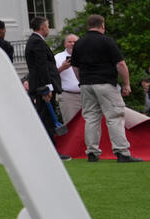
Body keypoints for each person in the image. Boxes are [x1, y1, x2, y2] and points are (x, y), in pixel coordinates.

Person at [70, 14, 142, 162]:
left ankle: (92, 152)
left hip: (86, 84)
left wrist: (82, 81)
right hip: (105, 83)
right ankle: (122, 152)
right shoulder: (107, 41)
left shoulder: (79, 43)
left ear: (88, 25)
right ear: (102, 25)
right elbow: (120, 64)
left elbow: (75, 67)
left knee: (90, 118)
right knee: (115, 116)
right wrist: (126, 84)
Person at [23, 16, 70, 160]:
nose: (48, 29)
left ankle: (47, 151)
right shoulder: (37, 42)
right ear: (42, 27)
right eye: (48, 26)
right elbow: (41, 66)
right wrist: (47, 88)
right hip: (43, 87)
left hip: (41, 85)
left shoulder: (35, 41)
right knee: (46, 119)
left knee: (45, 118)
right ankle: (50, 152)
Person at [54, 34, 81, 124]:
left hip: (87, 95)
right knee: (72, 125)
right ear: (65, 44)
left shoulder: (85, 55)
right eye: (70, 42)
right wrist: (62, 67)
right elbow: (51, 75)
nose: (72, 44)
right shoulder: (58, 57)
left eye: (75, 42)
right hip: (69, 97)